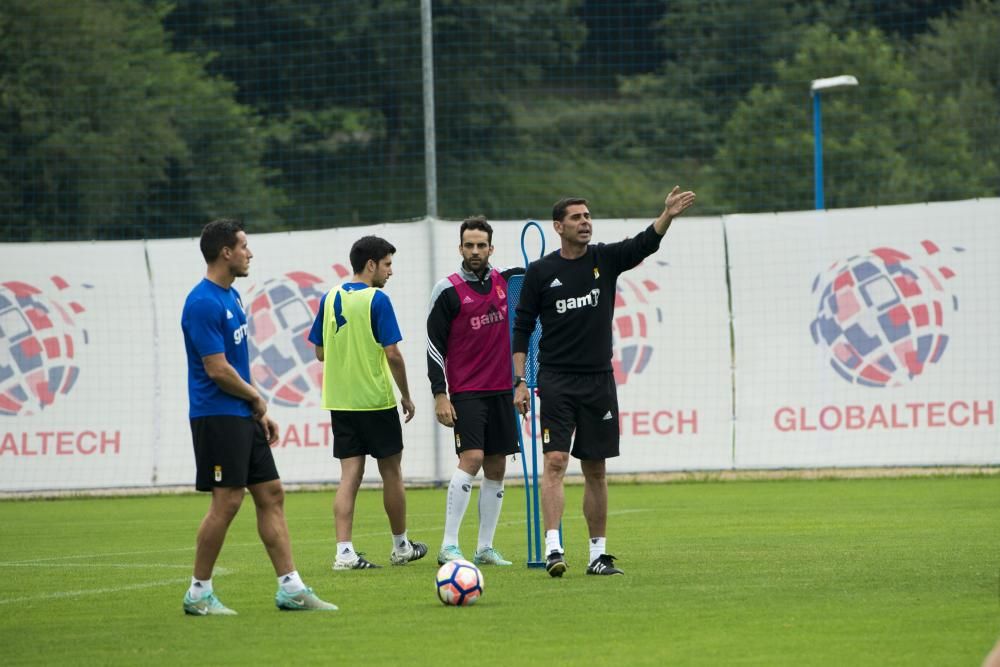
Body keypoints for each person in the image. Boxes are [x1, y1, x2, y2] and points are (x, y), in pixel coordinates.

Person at [512, 187, 697, 577]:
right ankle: (553, 549)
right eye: (577, 218)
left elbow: (644, 244)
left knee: (596, 469)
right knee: (556, 461)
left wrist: (666, 215)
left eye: (588, 216)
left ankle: (598, 555)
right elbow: (522, 328)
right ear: (558, 226)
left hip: (598, 380)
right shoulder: (541, 272)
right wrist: (519, 381)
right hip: (557, 379)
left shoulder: (604, 259)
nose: (586, 222)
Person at [181, 218, 337, 615]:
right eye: (244, 246)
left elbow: (234, 365)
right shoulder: (202, 303)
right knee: (227, 501)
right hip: (216, 416)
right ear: (225, 253)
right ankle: (198, 593)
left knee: (270, 494)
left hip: (240, 413)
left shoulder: (231, 297)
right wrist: (256, 397)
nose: (250, 253)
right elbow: (216, 369)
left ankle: (290, 588)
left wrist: (254, 408)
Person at [308, 235, 428, 570]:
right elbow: (393, 353)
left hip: (341, 402)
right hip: (374, 401)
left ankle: (343, 552)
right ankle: (401, 546)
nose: (391, 272)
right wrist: (405, 395)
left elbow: (319, 352)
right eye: (387, 264)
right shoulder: (377, 299)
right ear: (371, 264)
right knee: (391, 472)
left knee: (349, 476)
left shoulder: (330, 296)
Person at [426, 216, 524, 567]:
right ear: (460, 248)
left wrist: (521, 381)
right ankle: (449, 545)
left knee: (497, 466)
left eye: (481, 245)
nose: (475, 251)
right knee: (472, 459)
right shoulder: (447, 290)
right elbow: (434, 346)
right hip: (467, 391)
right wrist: (440, 394)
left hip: (502, 390)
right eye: (469, 245)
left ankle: (484, 547)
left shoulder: (508, 282)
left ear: (491, 248)